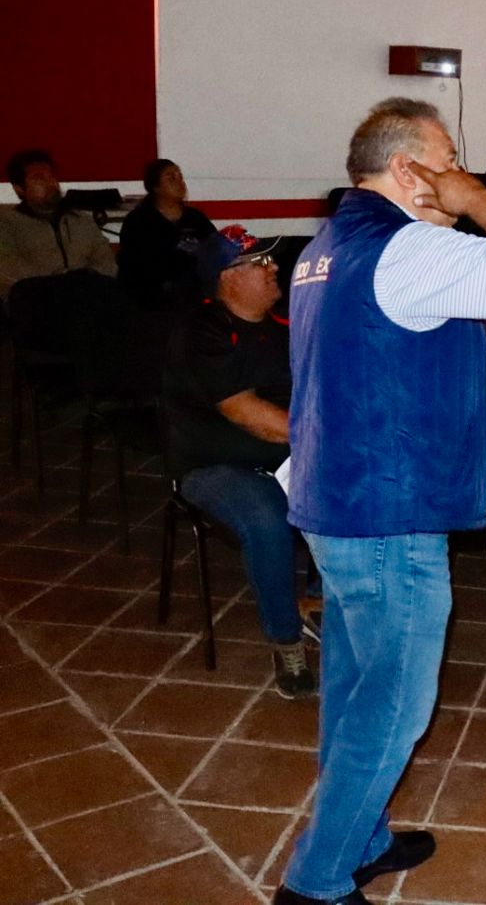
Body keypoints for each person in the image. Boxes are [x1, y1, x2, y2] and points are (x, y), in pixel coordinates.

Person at [277, 97, 486, 905]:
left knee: (355, 687)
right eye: (448, 161)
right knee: (396, 706)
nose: (459, 175)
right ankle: (315, 883)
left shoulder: (325, 247)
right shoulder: (405, 248)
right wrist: (476, 198)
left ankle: (362, 836)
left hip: (336, 498)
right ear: (407, 169)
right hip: (386, 511)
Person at [166, 226, 314, 698]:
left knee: (360, 487)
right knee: (267, 517)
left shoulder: (286, 325)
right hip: (215, 465)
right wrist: (325, 438)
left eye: (272, 260)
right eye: (260, 263)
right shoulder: (201, 331)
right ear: (227, 278)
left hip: (289, 455)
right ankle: (286, 639)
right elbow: (244, 412)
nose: (274, 268)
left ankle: (322, 601)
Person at [1, 149, 116, 301]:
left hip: (86, 296)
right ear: (19, 189)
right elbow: (8, 268)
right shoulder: (7, 224)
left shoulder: (81, 221)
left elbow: (106, 260)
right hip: (35, 299)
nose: (50, 183)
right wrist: (58, 281)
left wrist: (87, 277)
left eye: (52, 177)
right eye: (39, 179)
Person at [117, 158, 217, 307]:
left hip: (195, 291)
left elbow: (215, 247)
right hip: (151, 296)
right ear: (156, 187)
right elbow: (136, 264)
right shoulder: (138, 221)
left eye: (180, 177)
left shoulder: (195, 218)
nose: (180, 182)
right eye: (171, 178)